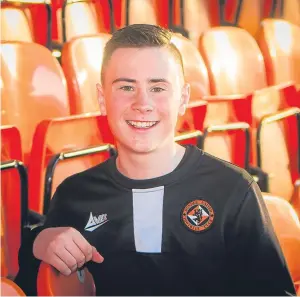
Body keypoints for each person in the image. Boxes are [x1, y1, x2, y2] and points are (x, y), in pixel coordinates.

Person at [29, 24, 295, 295]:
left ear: (183, 98)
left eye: (157, 88)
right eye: (126, 87)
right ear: (102, 98)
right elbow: (32, 281)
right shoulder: (75, 195)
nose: (142, 103)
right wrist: (37, 244)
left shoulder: (233, 190)